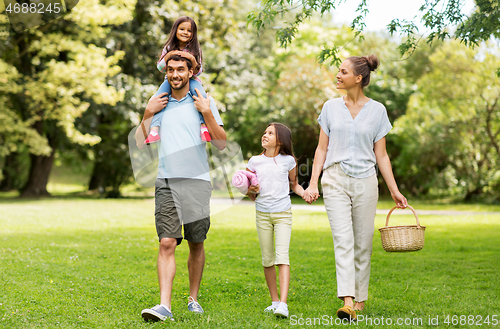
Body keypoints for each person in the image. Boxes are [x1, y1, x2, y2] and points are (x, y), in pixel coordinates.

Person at [303, 55, 408, 322]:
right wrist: (313, 181)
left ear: (358, 78)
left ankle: (360, 300)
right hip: (335, 179)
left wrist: (394, 190)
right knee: (344, 240)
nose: (337, 75)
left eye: (343, 71)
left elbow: (381, 155)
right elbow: (322, 149)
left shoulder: (377, 111)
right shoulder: (329, 107)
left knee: (363, 243)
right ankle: (347, 301)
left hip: (366, 181)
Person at [135, 52, 226, 322]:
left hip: (197, 181)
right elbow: (140, 143)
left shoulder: (202, 101)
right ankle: (164, 306)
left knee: (196, 242)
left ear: (190, 72)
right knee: (166, 242)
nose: (175, 74)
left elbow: (221, 142)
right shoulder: (159, 104)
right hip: (166, 180)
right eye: (170, 70)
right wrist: (148, 112)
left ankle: (193, 298)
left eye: (180, 70)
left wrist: (208, 113)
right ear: (167, 73)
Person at [246, 123, 305, 319]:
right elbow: (249, 189)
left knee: (282, 257)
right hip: (262, 214)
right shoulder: (254, 161)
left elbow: (294, 184)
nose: (265, 135)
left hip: (282, 214)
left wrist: (305, 194)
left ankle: (283, 304)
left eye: (270, 133)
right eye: (264, 132)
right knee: (267, 259)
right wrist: (249, 191)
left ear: (280, 140)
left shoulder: (288, 161)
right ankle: (274, 301)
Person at [144, 16, 211, 144]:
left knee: (200, 96)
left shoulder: (195, 49)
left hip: (191, 80)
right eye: (182, 29)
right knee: (158, 98)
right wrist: (168, 56)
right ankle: (154, 130)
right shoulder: (169, 47)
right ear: (175, 30)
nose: (185, 32)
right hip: (170, 81)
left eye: (189, 31)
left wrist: (191, 58)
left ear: (193, 34)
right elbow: (160, 67)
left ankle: (203, 127)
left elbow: (199, 71)